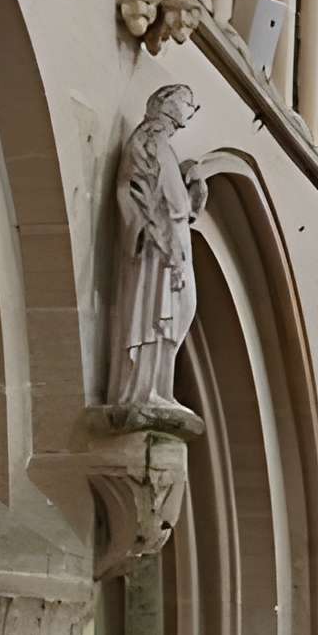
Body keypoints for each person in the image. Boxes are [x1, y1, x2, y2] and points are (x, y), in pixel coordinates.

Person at [108, 85, 212, 414]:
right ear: (165, 104)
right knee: (157, 314)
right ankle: (142, 390)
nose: (190, 109)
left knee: (180, 314)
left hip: (174, 241)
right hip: (157, 246)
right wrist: (167, 244)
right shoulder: (149, 140)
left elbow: (177, 201)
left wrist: (192, 182)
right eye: (186, 102)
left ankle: (160, 388)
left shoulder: (163, 145)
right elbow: (146, 194)